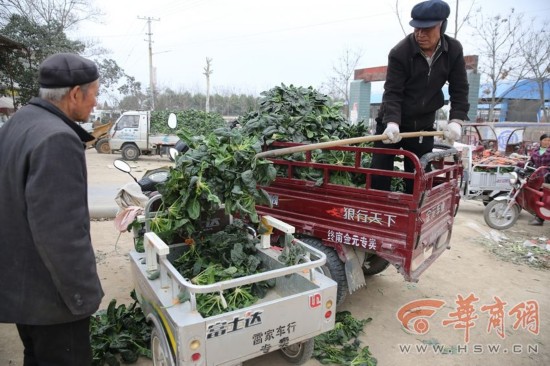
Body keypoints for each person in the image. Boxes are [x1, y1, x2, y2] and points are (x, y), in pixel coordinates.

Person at [0, 53, 104, 365]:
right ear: (75, 93)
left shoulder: (18, 124)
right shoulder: (57, 138)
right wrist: (83, 298)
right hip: (53, 303)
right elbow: (61, 235)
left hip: (23, 292)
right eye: (95, 94)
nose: (95, 104)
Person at [370, 0, 470, 193]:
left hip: (423, 126)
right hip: (392, 123)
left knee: (418, 176)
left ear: (442, 25)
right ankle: (380, 211)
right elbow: (393, 91)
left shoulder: (453, 51)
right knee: (380, 171)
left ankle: (415, 215)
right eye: (417, 29)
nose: (420, 34)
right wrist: (392, 122)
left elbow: (460, 88)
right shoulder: (400, 52)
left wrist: (456, 119)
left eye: (427, 29)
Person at [526, 133, 550, 226]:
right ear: (541, 141)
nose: (547, 142)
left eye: (549, 141)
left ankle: (540, 219)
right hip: (536, 176)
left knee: (542, 197)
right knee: (535, 195)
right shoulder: (535, 151)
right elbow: (531, 161)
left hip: (547, 177)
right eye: (545, 140)